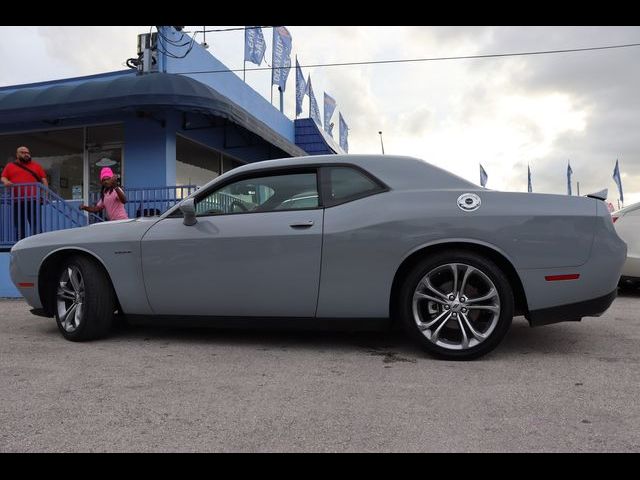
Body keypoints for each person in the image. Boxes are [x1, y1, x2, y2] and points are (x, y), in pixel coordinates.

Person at [1, 146, 48, 240]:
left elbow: (44, 181)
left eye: (27, 152)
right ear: (17, 154)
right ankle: (20, 245)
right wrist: (6, 182)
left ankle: (38, 243)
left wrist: (45, 196)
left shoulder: (36, 166)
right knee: (19, 225)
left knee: (36, 224)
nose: (26, 154)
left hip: (33, 200)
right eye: (23, 152)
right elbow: (3, 177)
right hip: (17, 200)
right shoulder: (10, 166)